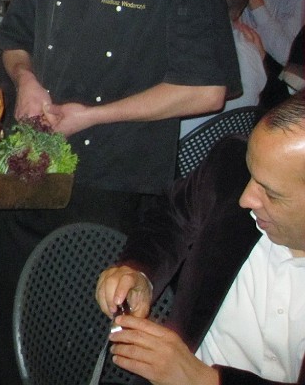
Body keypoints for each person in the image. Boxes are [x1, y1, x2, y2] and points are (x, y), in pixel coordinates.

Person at [0, 0, 240, 385]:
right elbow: (14, 40)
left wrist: (95, 116)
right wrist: (26, 78)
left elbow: (206, 90)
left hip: (116, 181)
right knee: (11, 326)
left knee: (77, 340)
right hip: (33, 166)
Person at [96, 95, 305, 385]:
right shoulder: (231, 169)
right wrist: (139, 272)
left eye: (271, 193)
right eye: (251, 174)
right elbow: (170, 217)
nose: (246, 199)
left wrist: (206, 380)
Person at [180, 0, 267, 138]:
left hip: (178, 152)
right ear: (240, 10)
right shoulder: (253, 52)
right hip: (225, 153)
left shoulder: (184, 45)